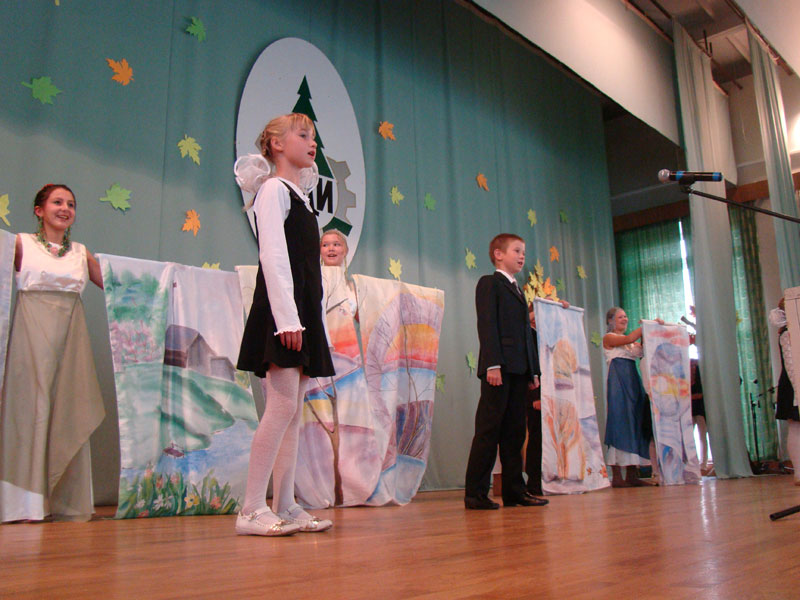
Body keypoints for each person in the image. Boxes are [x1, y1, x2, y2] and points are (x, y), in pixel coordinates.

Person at [234, 113, 335, 536]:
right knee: (280, 408)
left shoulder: (302, 198)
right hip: (282, 315)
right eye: (303, 135)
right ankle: (250, 509)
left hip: (301, 314)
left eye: (314, 137)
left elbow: (309, 270)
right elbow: (273, 256)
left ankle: (286, 503)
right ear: (277, 144)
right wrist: (287, 319)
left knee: (292, 413)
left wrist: (311, 320)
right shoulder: (274, 190)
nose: (313, 143)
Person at [0, 183, 105, 522]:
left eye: (71, 204)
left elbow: (116, 283)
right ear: (39, 210)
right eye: (57, 202)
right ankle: (23, 504)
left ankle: (62, 500)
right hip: (31, 336)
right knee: (30, 409)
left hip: (70, 341)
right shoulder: (21, 244)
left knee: (67, 408)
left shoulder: (79, 252)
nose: (65, 209)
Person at [464, 233, 547, 509]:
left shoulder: (519, 290)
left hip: (519, 370)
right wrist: (493, 364)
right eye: (516, 251)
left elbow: (526, 334)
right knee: (489, 430)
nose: (522, 256)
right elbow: (487, 324)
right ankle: (475, 493)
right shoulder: (490, 283)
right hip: (498, 369)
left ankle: (514, 491)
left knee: (515, 432)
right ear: (498, 255)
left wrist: (533, 371)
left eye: (523, 252)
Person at [603, 307, 659, 487]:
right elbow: (628, 339)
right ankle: (617, 476)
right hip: (618, 383)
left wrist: (655, 327)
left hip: (633, 382)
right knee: (620, 421)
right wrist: (646, 326)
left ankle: (633, 474)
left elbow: (642, 347)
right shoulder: (609, 338)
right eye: (620, 316)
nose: (625, 319)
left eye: (626, 316)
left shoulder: (632, 344)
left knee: (636, 422)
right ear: (611, 320)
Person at [769, 298, 800, 485]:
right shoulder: (788, 333)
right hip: (794, 386)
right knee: (795, 427)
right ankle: (799, 473)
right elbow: (792, 367)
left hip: (795, 385)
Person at [690, 358, 711, 474]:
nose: (692, 367)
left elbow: (702, 394)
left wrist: (690, 397)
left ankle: (703, 464)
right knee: (689, 437)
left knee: (702, 436)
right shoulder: (685, 378)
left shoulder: (700, 378)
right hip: (689, 411)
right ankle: (692, 462)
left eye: (694, 365)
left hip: (700, 410)